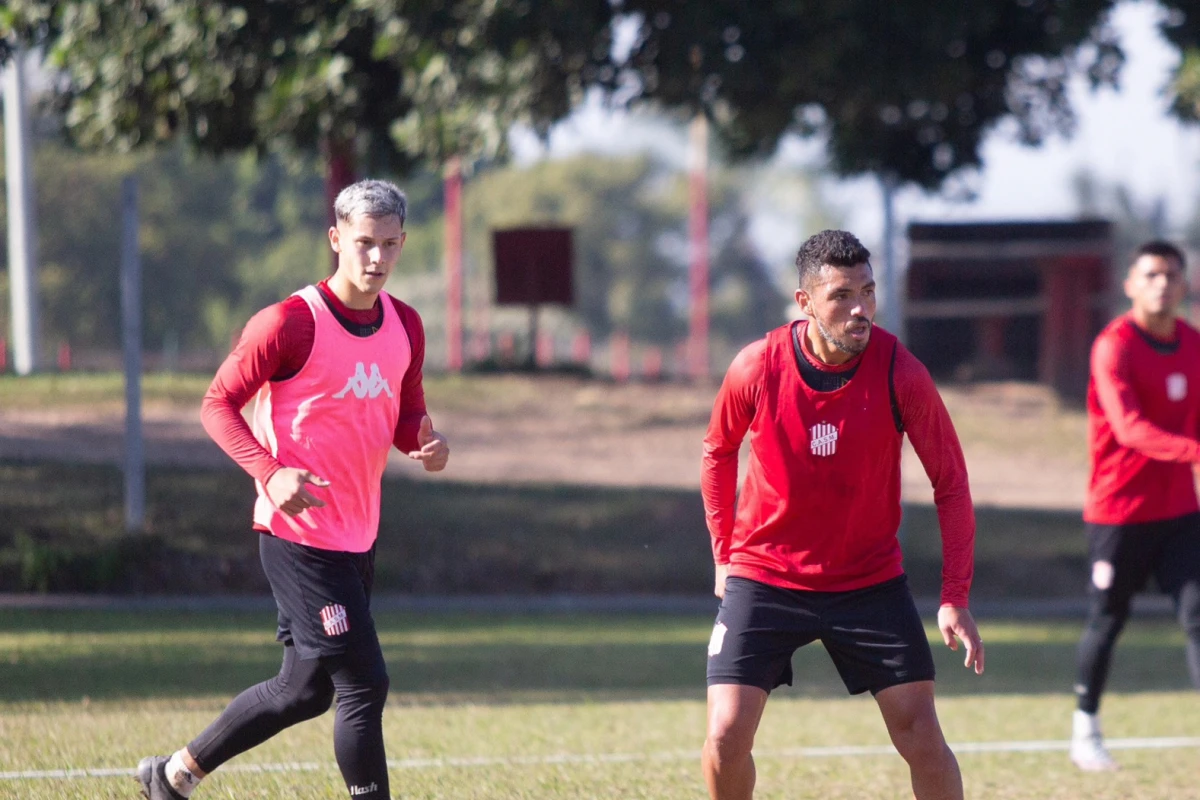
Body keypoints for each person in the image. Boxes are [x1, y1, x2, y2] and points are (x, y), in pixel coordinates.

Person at [136, 179, 449, 800]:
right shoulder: (288, 322)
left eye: (389, 245)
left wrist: (424, 443)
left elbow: (406, 413)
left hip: (359, 536)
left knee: (305, 689)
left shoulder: (406, 326)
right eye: (363, 243)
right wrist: (270, 472)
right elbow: (216, 404)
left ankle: (172, 778)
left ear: (403, 243)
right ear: (336, 239)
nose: (376, 258)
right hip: (298, 537)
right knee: (363, 683)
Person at [700, 229, 984, 800]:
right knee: (727, 734)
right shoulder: (756, 367)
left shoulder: (901, 373)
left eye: (869, 292)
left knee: (923, 736)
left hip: (868, 581)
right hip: (766, 575)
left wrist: (955, 595)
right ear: (804, 302)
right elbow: (717, 452)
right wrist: (723, 553)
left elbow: (951, 484)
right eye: (841, 296)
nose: (860, 309)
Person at [1070, 240, 1200, 771]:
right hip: (1119, 512)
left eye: (1171, 274)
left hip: (1180, 513)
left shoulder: (1193, 343)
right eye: (1150, 274)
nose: (1162, 283)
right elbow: (1130, 429)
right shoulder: (1114, 346)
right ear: (1130, 284)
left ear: (1185, 284)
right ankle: (1085, 731)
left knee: (1198, 617)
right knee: (1107, 619)